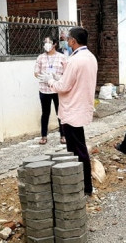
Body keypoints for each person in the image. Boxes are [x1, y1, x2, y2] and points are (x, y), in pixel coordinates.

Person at [38, 27, 97, 195]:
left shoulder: (74, 60)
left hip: (72, 109)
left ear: (73, 41)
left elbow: (64, 87)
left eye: (68, 39)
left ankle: (85, 187)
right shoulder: (90, 57)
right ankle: (83, 184)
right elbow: (74, 80)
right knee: (79, 147)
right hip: (81, 107)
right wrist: (59, 79)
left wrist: (50, 81)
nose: (66, 42)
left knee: (77, 151)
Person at [34, 36, 67, 145]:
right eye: (45, 42)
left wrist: (57, 77)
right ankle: (44, 136)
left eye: (49, 42)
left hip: (58, 89)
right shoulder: (41, 57)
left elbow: (67, 73)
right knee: (45, 113)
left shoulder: (62, 57)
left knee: (60, 112)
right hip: (44, 89)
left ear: (55, 44)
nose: (46, 44)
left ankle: (63, 135)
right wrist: (42, 76)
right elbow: (36, 72)